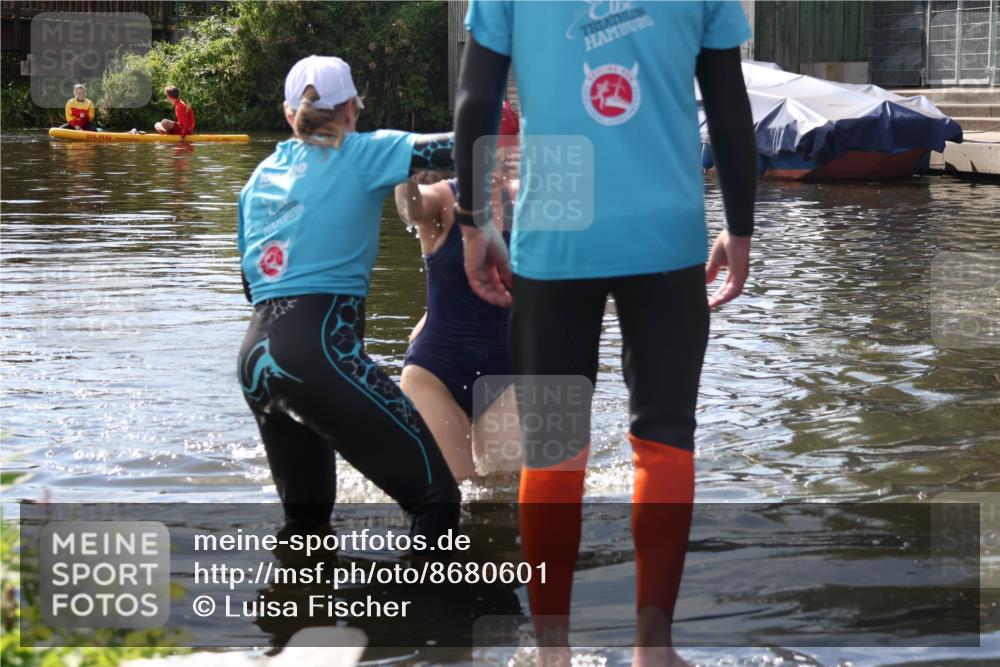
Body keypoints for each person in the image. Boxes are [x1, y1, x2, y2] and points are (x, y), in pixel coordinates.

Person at [453, 2, 757, 665]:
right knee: (665, 436)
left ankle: (552, 650)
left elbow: (475, 99)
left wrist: (474, 222)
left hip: (557, 224)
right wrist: (739, 226)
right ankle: (654, 645)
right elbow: (730, 109)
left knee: (553, 446)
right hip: (667, 229)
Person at [237, 55, 460, 541]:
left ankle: (292, 612)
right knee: (436, 501)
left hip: (255, 362)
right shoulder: (362, 152)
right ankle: (430, 615)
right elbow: (459, 148)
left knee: (307, 523)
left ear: (287, 113)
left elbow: (251, 285)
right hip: (320, 357)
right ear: (352, 109)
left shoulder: (257, 181)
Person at [394, 101, 522, 482]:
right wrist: (406, 177)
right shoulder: (443, 199)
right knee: (452, 494)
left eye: (502, 154)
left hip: (507, 372)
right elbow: (411, 209)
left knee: (503, 498)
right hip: (436, 371)